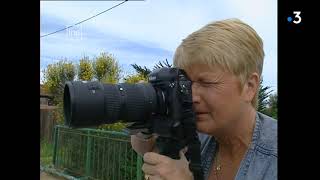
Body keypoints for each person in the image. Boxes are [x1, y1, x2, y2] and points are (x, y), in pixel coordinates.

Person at [131, 18, 277, 180]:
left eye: (206, 83)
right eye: (186, 83)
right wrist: (143, 117)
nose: (191, 96)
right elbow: (148, 147)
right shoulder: (200, 130)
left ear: (249, 86)